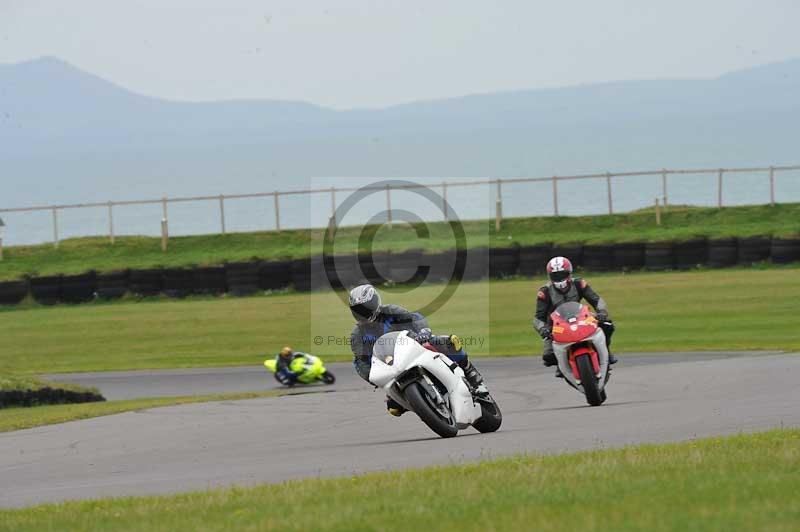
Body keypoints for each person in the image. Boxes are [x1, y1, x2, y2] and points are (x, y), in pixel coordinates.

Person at [348, 284, 487, 416]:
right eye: (358, 310)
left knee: (448, 342)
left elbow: (414, 318)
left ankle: (472, 375)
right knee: (393, 408)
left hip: (414, 346)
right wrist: (373, 377)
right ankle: (422, 405)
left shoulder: (390, 312)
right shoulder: (357, 334)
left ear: (374, 303)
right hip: (392, 367)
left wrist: (423, 331)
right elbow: (361, 362)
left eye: (365, 308)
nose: (363, 313)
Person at [532, 256, 617, 371]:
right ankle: (561, 365)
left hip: (581, 316)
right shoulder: (544, 292)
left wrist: (601, 312)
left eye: (562, 274)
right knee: (548, 357)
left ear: (569, 273)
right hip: (556, 325)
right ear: (550, 276)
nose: (559, 278)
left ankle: (606, 351)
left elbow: (597, 300)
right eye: (555, 276)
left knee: (607, 325)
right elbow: (538, 318)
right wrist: (543, 329)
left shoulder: (579, 283)